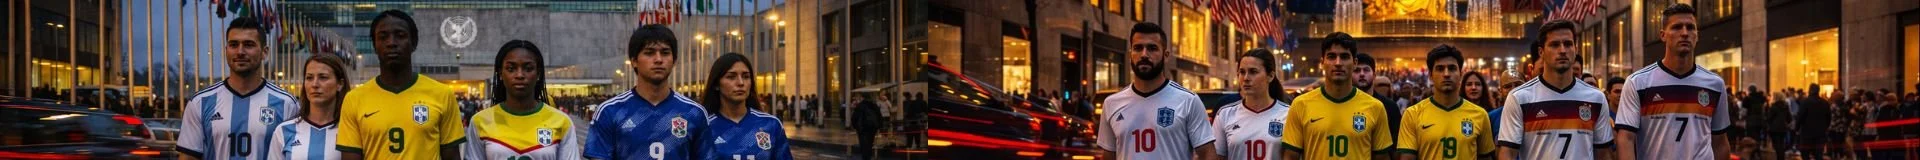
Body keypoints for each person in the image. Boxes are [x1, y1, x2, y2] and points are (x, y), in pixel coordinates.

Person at [1609, 4, 1732, 160]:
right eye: (1677, 27)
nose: (1685, 33)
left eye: (1690, 28)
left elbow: (1720, 142)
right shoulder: (1638, 83)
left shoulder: (1715, 84)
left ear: (1697, 35)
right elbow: (1626, 139)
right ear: (1663, 35)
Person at [336, 10, 464, 160]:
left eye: (400, 35)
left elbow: (452, 156)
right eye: (383, 37)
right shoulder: (354, 99)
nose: (391, 43)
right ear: (375, 45)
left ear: (414, 43)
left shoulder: (442, 94)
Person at [178, 16, 304, 160]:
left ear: (264, 52)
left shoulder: (287, 104)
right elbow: (188, 157)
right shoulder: (200, 103)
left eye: (248, 45)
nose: (240, 51)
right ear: (226, 50)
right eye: (233, 45)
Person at [585, 24, 711, 160]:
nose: (658, 59)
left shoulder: (694, 112)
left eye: (665, 53)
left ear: (674, 61)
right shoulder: (609, 111)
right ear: (634, 61)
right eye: (649, 53)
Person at [1496, 20, 1616, 160]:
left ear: (1576, 49)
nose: (1562, 50)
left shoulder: (1596, 98)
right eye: (1554, 45)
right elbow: (1508, 153)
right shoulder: (1519, 98)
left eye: (1568, 44)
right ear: (1541, 52)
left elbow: (1604, 154)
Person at [1098, 22, 1218, 160]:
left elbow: (1208, 153)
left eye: (1152, 48)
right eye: (1138, 48)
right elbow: (1108, 156)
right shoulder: (1111, 103)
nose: (1144, 54)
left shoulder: (1188, 101)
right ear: (1130, 54)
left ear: (1165, 55)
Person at [460, 40, 586, 160]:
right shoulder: (479, 121)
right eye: (511, 69)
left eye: (528, 68)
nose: (520, 75)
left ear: (538, 73)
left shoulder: (562, 122)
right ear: (500, 73)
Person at [1280, 32, 1393, 160]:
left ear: (1354, 63)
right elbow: (1290, 156)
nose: (1338, 63)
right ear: (1322, 62)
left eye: (1344, 57)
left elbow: (1382, 158)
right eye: (1331, 56)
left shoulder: (1375, 107)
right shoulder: (1300, 105)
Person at [1395, 45, 1494, 160]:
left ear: (1460, 74)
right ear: (1430, 75)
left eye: (1452, 68)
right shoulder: (1412, 114)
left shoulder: (1480, 115)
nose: (1446, 74)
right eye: (1440, 69)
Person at [696, 53, 794, 160]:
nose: (741, 83)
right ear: (716, 84)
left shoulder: (771, 125)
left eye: (746, 76)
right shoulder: (704, 127)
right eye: (731, 77)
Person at [1210, 48, 1292, 160]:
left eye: (1253, 72)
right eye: (1242, 72)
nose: (1246, 78)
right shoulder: (1225, 114)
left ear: (1271, 76)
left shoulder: (1288, 114)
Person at [266, 54, 350, 160]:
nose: (314, 84)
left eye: (323, 77)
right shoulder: (283, 130)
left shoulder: (351, 130)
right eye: (309, 78)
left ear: (340, 84)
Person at [1796, 84, 1831, 160]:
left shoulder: (1805, 102)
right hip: (1820, 133)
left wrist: (1797, 128)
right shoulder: (1825, 103)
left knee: (1805, 154)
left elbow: (1800, 117)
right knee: (1818, 154)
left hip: (1806, 133)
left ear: (1810, 90)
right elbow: (1828, 118)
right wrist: (1825, 127)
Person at [853, 94, 884, 160]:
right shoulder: (874, 105)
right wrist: (879, 126)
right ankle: (868, 156)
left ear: (863, 98)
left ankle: (865, 157)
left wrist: (855, 127)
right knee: (870, 143)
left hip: (862, 129)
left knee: (863, 145)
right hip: (872, 128)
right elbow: (879, 116)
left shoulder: (860, 106)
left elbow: (854, 117)